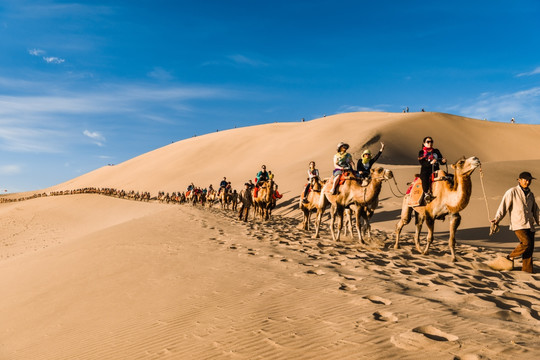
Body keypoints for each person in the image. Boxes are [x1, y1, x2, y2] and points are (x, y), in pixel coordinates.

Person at [491, 172, 539, 273]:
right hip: (518, 223)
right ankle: (510, 257)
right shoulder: (512, 191)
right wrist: (497, 219)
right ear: (519, 180)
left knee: (529, 250)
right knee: (526, 243)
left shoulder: (531, 194)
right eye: (525, 179)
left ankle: (527, 271)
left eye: (529, 180)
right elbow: (503, 206)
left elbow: (535, 210)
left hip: (530, 224)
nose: (527, 181)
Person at [418, 136, 446, 202]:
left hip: (436, 170)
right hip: (426, 171)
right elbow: (422, 162)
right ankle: (426, 193)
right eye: (428, 142)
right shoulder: (421, 152)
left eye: (431, 142)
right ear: (424, 143)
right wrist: (430, 162)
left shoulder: (436, 151)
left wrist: (443, 161)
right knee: (425, 177)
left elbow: (441, 161)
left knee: (447, 177)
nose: (430, 143)